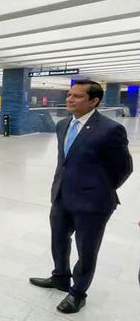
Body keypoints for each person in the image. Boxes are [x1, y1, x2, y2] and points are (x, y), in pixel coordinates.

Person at [29, 80, 132, 314]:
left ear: (94, 101)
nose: (69, 99)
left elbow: (124, 168)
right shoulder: (63, 124)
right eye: (69, 95)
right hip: (62, 196)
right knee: (58, 240)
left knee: (86, 250)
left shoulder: (110, 129)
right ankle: (60, 278)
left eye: (76, 96)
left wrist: (99, 189)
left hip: (93, 202)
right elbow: (64, 162)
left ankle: (78, 293)